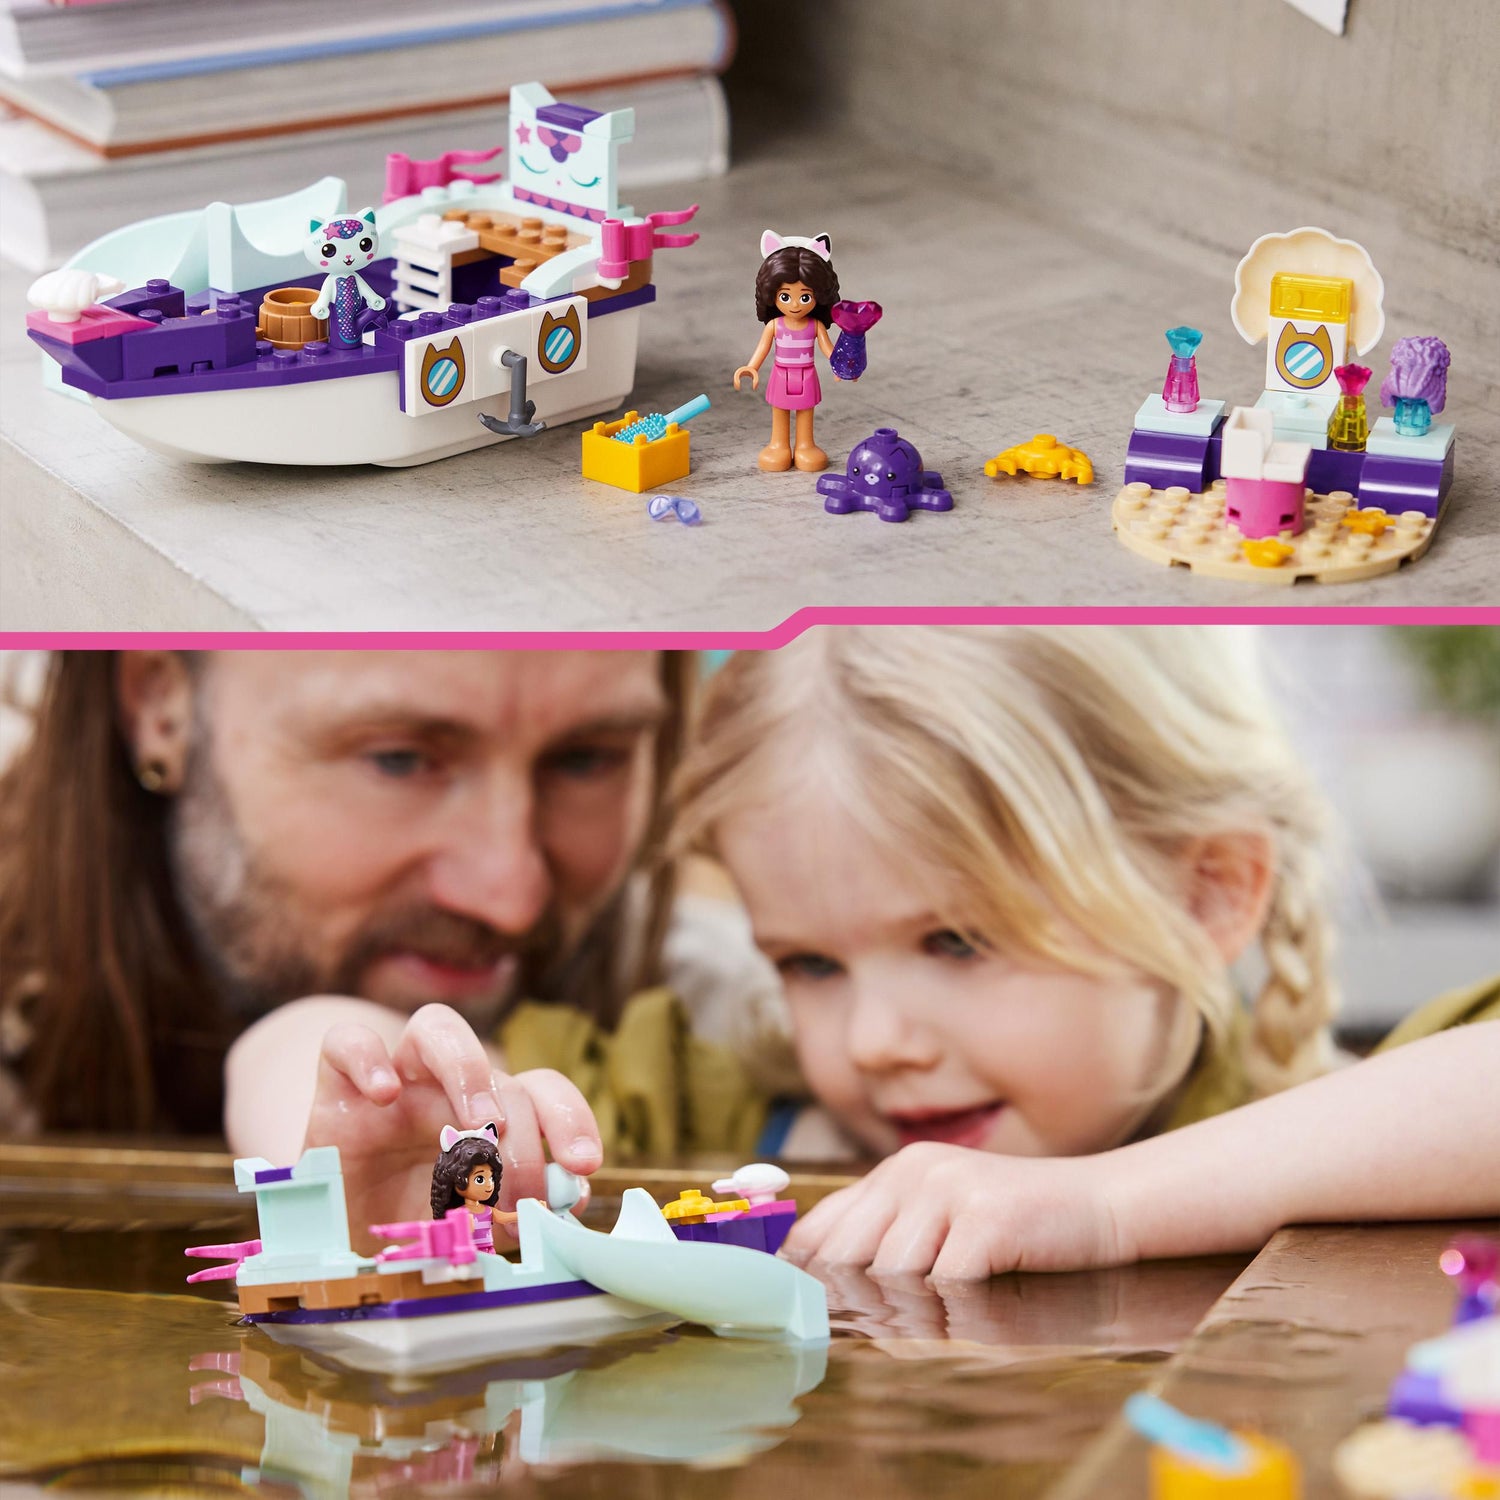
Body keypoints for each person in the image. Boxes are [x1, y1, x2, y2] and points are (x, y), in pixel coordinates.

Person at [667, 626, 1500, 1279]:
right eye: (811, 965)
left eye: (958, 941)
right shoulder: (701, 1109)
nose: (872, 1043)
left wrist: (1104, 1205)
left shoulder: (1358, 1138)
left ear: (1204, 896)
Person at [0, 650, 788, 1235]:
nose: (510, 897)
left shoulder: (749, 1020)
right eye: (400, 759)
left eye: (586, 760)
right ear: (161, 705)